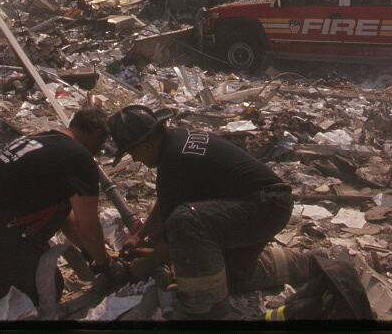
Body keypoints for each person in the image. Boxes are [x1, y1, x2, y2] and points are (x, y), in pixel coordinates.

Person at [108, 104, 303, 319]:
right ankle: (310, 264)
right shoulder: (176, 140)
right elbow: (166, 203)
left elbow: (174, 235)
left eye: (132, 153)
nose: (135, 160)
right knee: (230, 277)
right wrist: (139, 236)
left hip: (265, 207)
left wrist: (145, 265)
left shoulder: (174, 160)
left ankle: (206, 311)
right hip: (265, 204)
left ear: (145, 145)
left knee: (185, 222)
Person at [0, 106, 122, 306]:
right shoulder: (80, 158)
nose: (100, 150)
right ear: (98, 134)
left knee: (61, 206)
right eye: (102, 142)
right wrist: (106, 266)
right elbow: (87, 226)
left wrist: (90, 253)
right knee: (46, 288)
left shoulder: (44, 139)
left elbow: (64, 214)